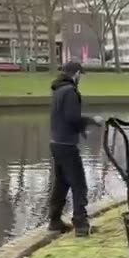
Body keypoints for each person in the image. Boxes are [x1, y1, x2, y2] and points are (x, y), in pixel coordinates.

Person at [47, 60, 103, 237]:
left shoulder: (57, 91)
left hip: (56, 142)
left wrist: (81, 129)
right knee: (79, 184)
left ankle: (54, 221)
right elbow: (72, 117)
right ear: (77, 74)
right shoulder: (70, 91)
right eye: (80, 75)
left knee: (61, 184)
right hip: (67, 145)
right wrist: (92, 120)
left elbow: (64, 118)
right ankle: (81, 224)